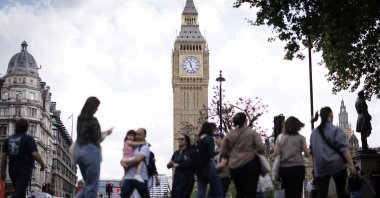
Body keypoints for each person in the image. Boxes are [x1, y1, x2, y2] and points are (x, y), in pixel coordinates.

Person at [310, 106, 356, 198]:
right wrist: (351, 165)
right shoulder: (336, 130)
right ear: (330, 114)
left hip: (321, 167)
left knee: (322, 194)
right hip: (337, 165)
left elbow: (312, 152)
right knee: (341, 193)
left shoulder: (314, 133)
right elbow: (344, 149)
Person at [74, 96, 113, 197]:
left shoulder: (80, 119)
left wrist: (103, 132)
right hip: (90, 152)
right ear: (92, 107)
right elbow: (98, 139)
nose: (97, 109)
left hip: (78, 151)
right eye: (96, 107)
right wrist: (107, 134)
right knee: (92, 187)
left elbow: (87, 134)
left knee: (88, 185)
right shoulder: (93, 120)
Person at [220, 112, 265, 198]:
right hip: (250, 165)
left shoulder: (229, 135)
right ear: (246, 121)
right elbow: (261, 148)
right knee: (251, 192)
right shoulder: (252, 133)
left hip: (234, 167)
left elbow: (224, 151)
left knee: (240, 191)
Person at [0, 118, 46, 198]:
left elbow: (4, 156)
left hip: (12, 170)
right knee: (20, 193)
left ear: (16, 127)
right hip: (24, 169)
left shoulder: (8, 139)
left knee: (19, 191)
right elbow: (34, 154)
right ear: (26, 128)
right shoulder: (28, 139)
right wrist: (42, 164)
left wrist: (2, 171)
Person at [273, 116, 310, 198]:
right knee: (297, 193)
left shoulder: (280, 137)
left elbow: (276, 153)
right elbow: (307, 154)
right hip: (298, 168)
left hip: (285, 168)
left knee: (287, 193)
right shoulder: (301, 138)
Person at [194, 122, 223, 198]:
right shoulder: (210, 139)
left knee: (201, 191)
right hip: (208, 166)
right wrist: (219, 151)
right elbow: (210, 154)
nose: (215, 132)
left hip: (198, 169)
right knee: (218, 190)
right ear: (211, 129)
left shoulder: (199, 139)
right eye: (214, 130)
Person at [120, 128, 150, 198]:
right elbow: (124, 158)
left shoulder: (144, 147)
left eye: (139, 134)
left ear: (144, 136)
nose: (137, 136)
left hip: (141, 177)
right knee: (123, 195)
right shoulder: (131, 147)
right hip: (129, 177)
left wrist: (127, 166)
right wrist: (122, 162)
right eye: (136, 134)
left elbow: (138, 159)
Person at [167, 133, 195, 198]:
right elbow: (169, 165)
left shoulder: (190, 151)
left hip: (187, 178)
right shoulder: (176, 153)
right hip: (178, 178)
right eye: (179, 139)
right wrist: (170, 163)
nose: (180, 140)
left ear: (186, 141)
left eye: (182, 139)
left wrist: (177, 165)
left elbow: (189, 163)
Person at [211, 132, 231, 198]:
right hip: (216, 177)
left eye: (217, 138)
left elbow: (223, 164)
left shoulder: (226, 150)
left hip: (224, 176)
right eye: (215, 138)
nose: (215, 140)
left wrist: (212, 170)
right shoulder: (216, 150)